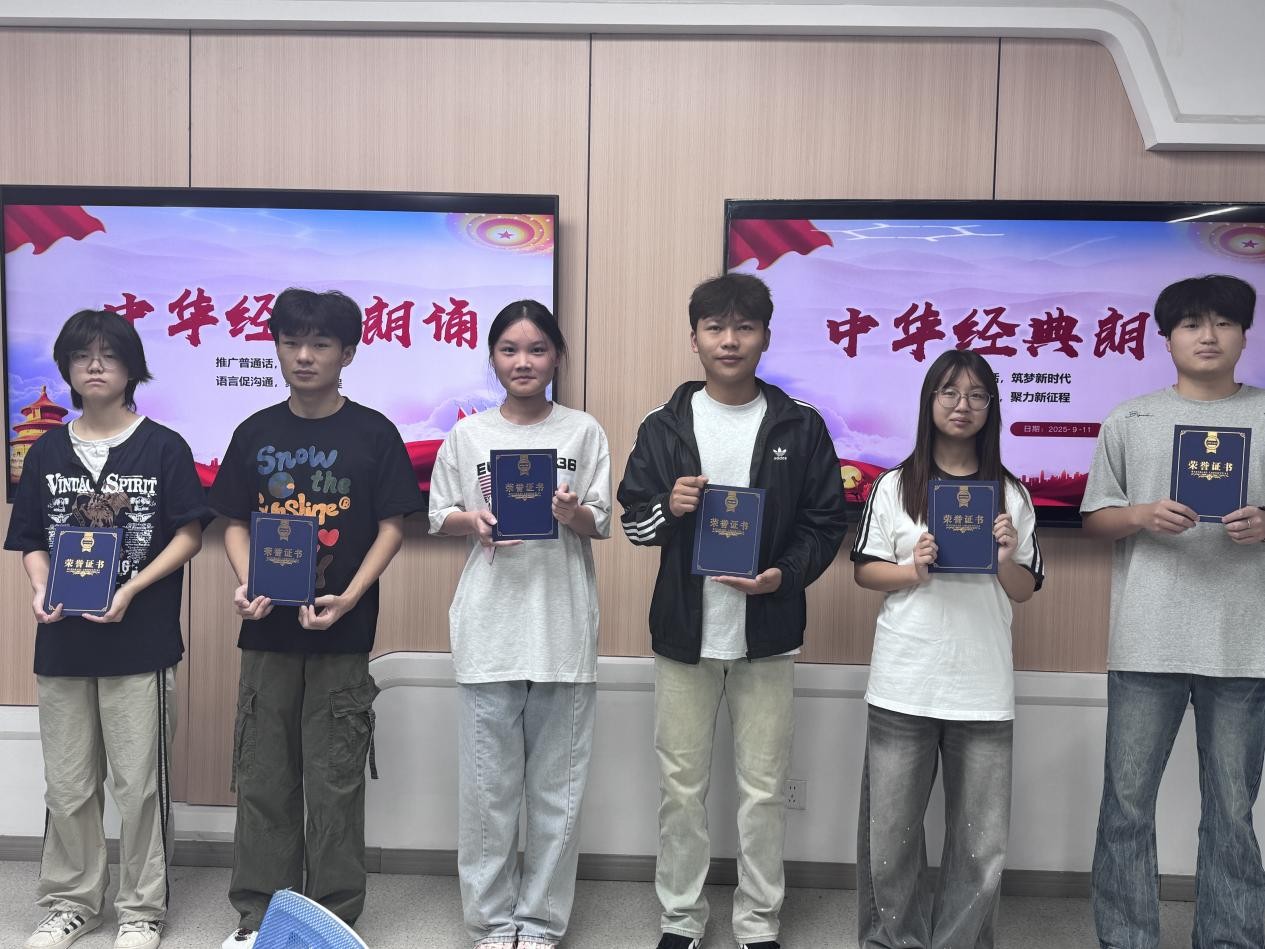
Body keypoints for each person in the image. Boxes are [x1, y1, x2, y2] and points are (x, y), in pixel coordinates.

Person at [617, 273, 848, 949]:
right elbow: (633, 523)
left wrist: (783, 576)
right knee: (679, 789)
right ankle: (681, 917)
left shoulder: (799, 424)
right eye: (715, 327)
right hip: (684, 634)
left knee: (764, 789)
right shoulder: (663, 425)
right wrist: (670, 507)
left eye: (743, 327)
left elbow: (825, 522)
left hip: (767, 633)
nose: (729, 340)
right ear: (694, 339)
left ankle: (758, 921)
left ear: (765, 337)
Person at [210, 288, 423, 949]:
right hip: (267, 633)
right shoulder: (254, 432)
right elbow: (234, 521)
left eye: (320, 343)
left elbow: (393, 525)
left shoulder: (373, 433)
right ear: (276, 347)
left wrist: (352, 595)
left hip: (342, 634)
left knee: (334, 780)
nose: (304, 355)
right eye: (291, 342)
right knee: (263, 778)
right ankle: (258, 914)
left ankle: (331, 917)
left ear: (347, 353)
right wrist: (248, 580)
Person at [6, 310, 209, 949]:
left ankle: (142, 909)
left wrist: (130, 589)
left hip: (139, 643)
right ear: (67, 368)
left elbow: (188, 534)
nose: (95, 365)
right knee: (68, 785)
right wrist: (40, 587)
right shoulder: (46, 450)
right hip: (62, 643)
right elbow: (31, 538)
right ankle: (73, 902)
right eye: (82, 355)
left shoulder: (163, 446)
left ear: (131, 368)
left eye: (109, 355)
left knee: (139, 785)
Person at [1081, 274, 1265, 949]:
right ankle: (1125, 938)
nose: (1207, 335)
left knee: (1232, 810)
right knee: (1126, 806)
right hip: (1145, 641)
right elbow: (1095, 519)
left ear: (1244, 333)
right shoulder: (1129, 419)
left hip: (1244, 645)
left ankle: (1230, 937)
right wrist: (1139, 515)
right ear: (1165, 339)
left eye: (1223, 322)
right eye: (1191, 323)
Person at [429, 299, 611, 949]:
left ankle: (539, 923)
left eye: (537, 349)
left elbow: (600, 521)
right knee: (488, 790)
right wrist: (473, 521)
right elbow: (439, 514)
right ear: (493, 357)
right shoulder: (468, 435)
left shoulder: (583, 431)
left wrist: (570, 513)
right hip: (489, 626)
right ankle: (490, 920)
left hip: (561, 627)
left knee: (559, 791)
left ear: (557, 356)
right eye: (509, 349)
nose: (523, 361)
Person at [850, 349, 1043, 949]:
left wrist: (1004, 559)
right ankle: (892, 941)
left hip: (982, 688)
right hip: (905, 681)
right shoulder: (894, 486)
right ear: (929, 401)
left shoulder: (1010, 494)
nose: (963, 405)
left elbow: (1025, 589)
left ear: (992, 408)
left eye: (977, 395)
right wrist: (913, 570)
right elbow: (865, 571)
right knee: (891, 838)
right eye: (950, 392)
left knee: (980, 846)